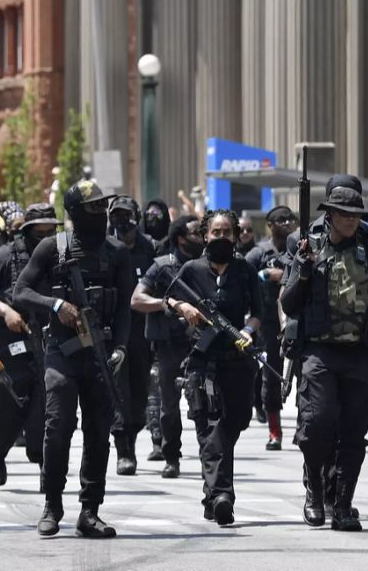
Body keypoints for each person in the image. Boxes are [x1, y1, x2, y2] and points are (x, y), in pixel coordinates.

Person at [280, 187, 368, 532]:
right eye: (343, 213)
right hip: (319, 350)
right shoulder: (308, 246)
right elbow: (288, 304)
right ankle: (315, 491)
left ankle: (343, 504)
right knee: (316, 424)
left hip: (361, 351)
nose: (350, 219)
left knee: (354, 430)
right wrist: (302, 272)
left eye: (355, 214)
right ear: (328, 214)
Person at [14, 180, 131, 538]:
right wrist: (55, 304)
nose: (101, 213)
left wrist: (121, 348)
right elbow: (21, 291)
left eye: (103, 207)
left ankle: (90, 509)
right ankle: (52, 504)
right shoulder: (52, 248)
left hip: (101, 355)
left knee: (99, 432)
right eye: (94, 207)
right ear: (76, 212)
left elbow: (125, 308)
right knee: (58, 425)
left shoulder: (117, 252)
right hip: (62, 353)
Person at [167, 209, 262, 526]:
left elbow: (258, 311)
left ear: (236, 236)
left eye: (227, 233)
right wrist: (184, 307)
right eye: (215, 233)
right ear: (205, 236)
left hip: (238, 362)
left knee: (232, 426)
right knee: (211, 430)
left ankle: (212, 496)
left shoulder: (245, 269)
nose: (221, 238)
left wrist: (247, 332)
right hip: (203, 363)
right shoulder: (192, 270)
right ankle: (223, 496)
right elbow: (167, 297)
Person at [0, 204, 62, 488]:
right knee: (8, 397)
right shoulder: (4, 257)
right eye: (39, 232)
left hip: (48, 335)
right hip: (10, 336)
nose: (45, 237)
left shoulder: (61, 256)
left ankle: (45, 466)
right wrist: (6, 312)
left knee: (47, 402)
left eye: (50, 232)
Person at [131, 215, 203, 478]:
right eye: (196, 232)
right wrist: (167, 304)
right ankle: (171, 456)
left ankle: (211, 456)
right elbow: (137, 299)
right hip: (170, 344)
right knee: (170, 406)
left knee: (206, 402)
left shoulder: (206, 264)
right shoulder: (163, 266)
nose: (201, 236)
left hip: (202, 343)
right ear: (181, 238)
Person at [108, 195, 157, 475]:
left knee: (139, 390)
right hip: (113, 329)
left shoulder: (150, 247)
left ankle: (133, 436)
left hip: (142, 329)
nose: (121, 222)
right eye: (116, 216)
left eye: (126, 216)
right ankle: (122, 448)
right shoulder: (105, 247)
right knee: (117, 389)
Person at [245, 206, 297, 449]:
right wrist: (264, 275)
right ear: (270, 224)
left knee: (304, 375)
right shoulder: (259, 252)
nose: (287, 223)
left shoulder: (300, 249)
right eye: (281, 220)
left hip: (298, 319)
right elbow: (241, 278)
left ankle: (304, 426)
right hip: (268, 324)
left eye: (290, 219)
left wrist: (284, 274)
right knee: (271, 376)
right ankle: (274, 432)